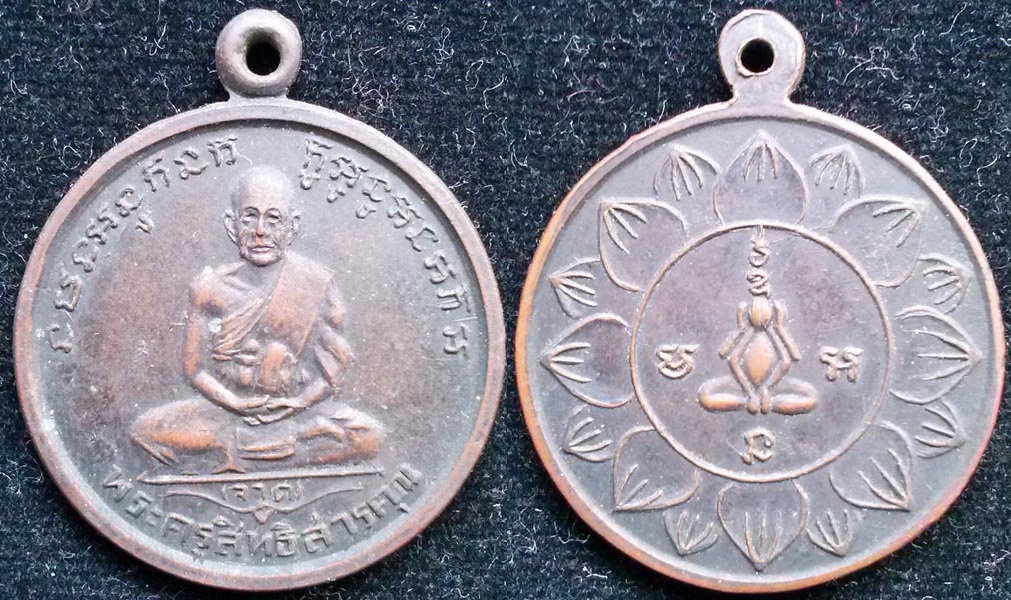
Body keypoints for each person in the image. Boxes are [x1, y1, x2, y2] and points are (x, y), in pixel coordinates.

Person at [130, 166, 382, 474]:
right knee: (144, 431)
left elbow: (332, 373)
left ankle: (244, 450)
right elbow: (194, 371)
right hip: (224, 413)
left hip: (296, 414)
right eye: (249, 217)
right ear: (231, 224)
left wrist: (298, 403)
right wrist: (234, 404)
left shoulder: (315, 283)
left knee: (370, 438)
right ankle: (267, 449)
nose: (261, 231)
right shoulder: (208, 288)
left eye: (274, 219)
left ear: (292, 227)